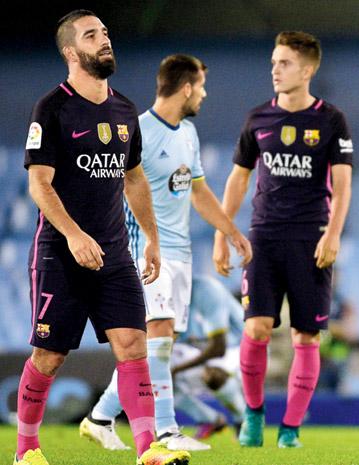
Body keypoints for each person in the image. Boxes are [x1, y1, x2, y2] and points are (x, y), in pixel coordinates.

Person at [17, 9, 190, 465]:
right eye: (92, 35)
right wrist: (73, 235)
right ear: (72, 52)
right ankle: (26, 449)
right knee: (49, 356)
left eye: (106, 32)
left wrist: (151, 238)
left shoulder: (124, 109)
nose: (105, 40)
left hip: (114, 252)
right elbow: (39, 183)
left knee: (134, 345)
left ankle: (148, 448)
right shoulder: (52, 108)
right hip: (61, 252)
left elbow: (134, 178)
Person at [79, 54, 252, 452]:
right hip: (143, 250)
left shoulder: (188, 134)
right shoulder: (138, 130)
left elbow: (198, 191)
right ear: (187, 87)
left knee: (156, 345)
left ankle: (100, 416)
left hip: (181, 254)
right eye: (202, 87)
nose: (204, 95)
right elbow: (111, 187)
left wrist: (231, 232)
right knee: (157, 337)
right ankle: (166, 430)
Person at [212, 31, 353, 448]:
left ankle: (290, 429)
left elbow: (343, 186)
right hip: (264, 238)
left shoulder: (331, 120)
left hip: (311, 239)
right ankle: (253, 416)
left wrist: (333, 234)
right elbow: (238, 179)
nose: (275, 69)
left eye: (285, 63)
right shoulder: (258, 118)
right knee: (255, 328)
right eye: (274, 62)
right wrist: (223, 233)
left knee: (306, 337)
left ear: (307, 70)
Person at [171, 275, 246, 440]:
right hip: (200, 350)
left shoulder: (207, 290)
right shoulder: (166, 297)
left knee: (213, 375)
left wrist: (177, 369)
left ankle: (243, 419)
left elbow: (218, 348)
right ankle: (209, 419)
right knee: (156, 373)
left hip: (237, 347)